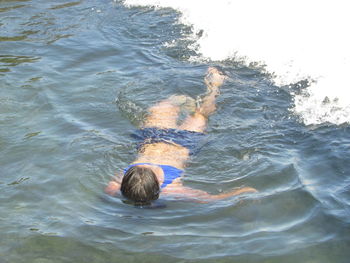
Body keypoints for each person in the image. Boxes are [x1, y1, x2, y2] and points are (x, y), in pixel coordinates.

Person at [105, 67, 257, 204]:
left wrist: (244, 193)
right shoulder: (172, 189)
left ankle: (183, 99)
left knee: (169, 106)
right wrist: (244, 192)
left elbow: (210, 200)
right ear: (158, 186)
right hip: (176, 140)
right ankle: (214, 86)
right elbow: (211, 199)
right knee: (200, 114)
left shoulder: (114, 189)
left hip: (159, 138)